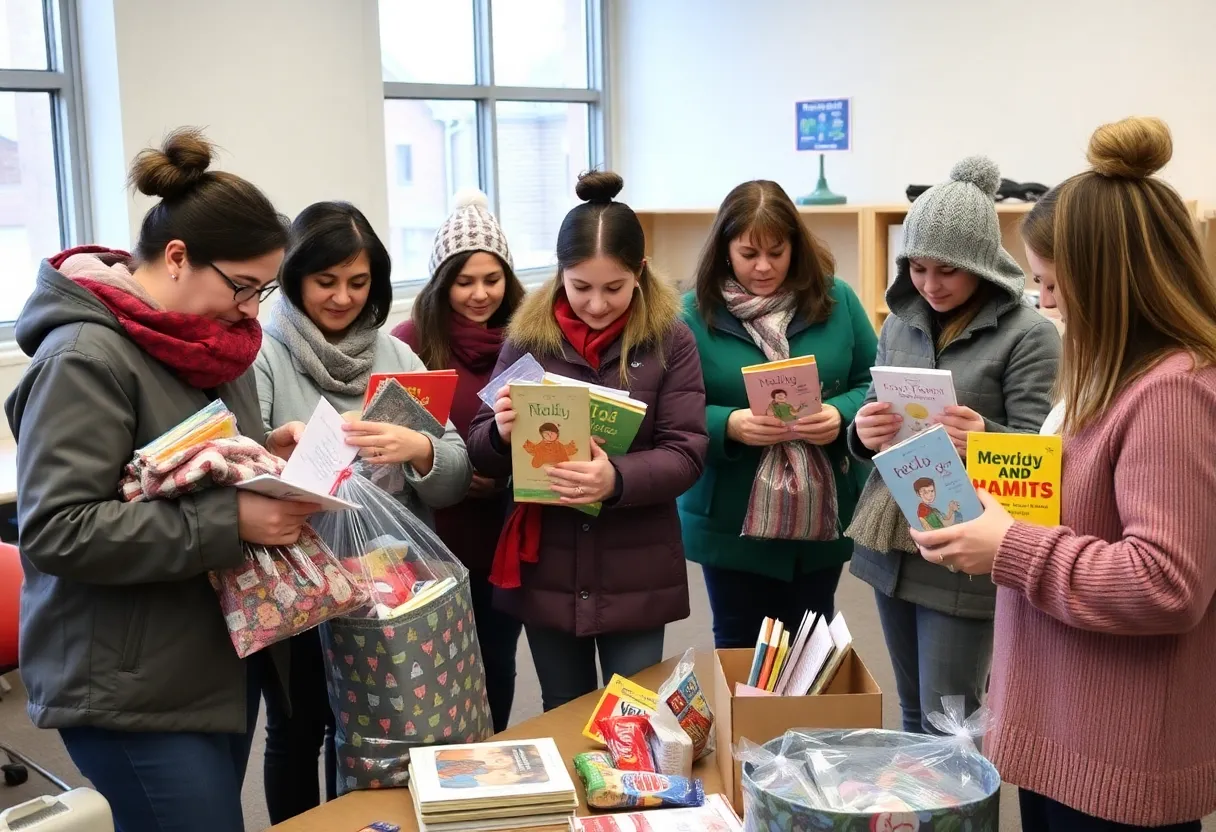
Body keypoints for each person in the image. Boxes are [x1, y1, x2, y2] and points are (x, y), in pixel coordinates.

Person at [4, 128, 316, 832]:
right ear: (178, 257)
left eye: (263, 291)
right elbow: (58, 529)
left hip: (204, 656)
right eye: (242, 286)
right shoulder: (83, 358)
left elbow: (172, 464)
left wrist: (264, 455)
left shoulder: (203, 346)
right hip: (123, 680)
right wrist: (230, 521)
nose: (250, 309)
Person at [912, 117, 1216, 831]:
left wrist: (1007, 546)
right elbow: (1081, 510)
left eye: (1051, 284)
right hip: (1065, 734)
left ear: (1108, 282)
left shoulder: (1172, 392)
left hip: (1117, 760)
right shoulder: (1114, 377)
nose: (1042, 303)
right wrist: (990, 487)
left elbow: (1166, 581)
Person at [254, 201, 472, 822]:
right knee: (298, 732)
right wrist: (279, 447)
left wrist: (421, 448)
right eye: (326, 282)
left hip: (390, 582)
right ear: (295, 277)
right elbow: (238, 464)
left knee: (378, 730)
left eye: (359, 282)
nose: (343, 298)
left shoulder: (396, 356)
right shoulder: (264, 354)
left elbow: (452, 477)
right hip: (296, 581)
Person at [467, 171, 708, 711]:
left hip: (634, 562)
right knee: (563, 706)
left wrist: (615, 478)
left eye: (614, 288)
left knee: (635, 712)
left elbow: (687, 451)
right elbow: (478, 446)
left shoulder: (671, 338)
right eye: (580, 287)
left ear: (640, 273)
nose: (596, 305)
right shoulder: (527, 337)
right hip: (547, 561)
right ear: (559, 274)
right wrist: (502, 433)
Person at [847, 156, 1060, 735]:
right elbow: (872, 409)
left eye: (947, 271)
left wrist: (985, 439)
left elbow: (1047, 456)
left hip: (966, 545)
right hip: (893, 537)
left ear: (983, 265)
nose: (930, 284)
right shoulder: (900, 322)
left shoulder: (1029, 333)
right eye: (916, 268)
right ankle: (920, 824)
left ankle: (958, 823)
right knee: (913, 713)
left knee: (955, 721)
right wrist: (863, 433)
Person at [678, 179, 876, 649]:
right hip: (730, 516)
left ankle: (803, 727)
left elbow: (875, 382)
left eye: (777, 251)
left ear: (796, 247)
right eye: (749, 254)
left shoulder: (837, 299)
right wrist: (729, 424)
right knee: (741, 644)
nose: (763, 267)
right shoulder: (690, 313)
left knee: (811, 646)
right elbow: (670, 410)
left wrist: (840, 413)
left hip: (820, 514)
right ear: (724, 250)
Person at [392, 191, 525, 733]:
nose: (479, 294)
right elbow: (398, 437)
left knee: (497, 661)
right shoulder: (411, 342)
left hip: (507, 527)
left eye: (491, 280)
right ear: (441, 281)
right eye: (464, 280)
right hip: (435, 531)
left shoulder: (526, 339)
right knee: (431, 670)